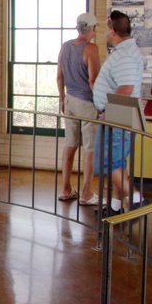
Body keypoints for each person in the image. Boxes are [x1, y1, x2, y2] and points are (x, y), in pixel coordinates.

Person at [92, 10, 145, 215]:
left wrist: (107, 112)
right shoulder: (125, 52)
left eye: (107, 30)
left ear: (113, 31)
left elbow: (125, 89)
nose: (105, 34)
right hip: (120, 113)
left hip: (118, 115)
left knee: (108, 161)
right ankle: (114, 207)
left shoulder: (125, 56)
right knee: (117, 162)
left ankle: (136, 199)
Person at [56, 12, 102, 204]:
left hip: (70, 101)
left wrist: (62, 98)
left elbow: (59, 76)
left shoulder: (65, 46)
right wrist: (101, 104)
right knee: (90, 148)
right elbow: (93, 80)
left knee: (70, 144)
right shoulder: (91, 48)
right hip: (87, 102)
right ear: (92, 28)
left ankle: (66, 189)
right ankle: (86, 193)